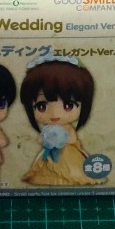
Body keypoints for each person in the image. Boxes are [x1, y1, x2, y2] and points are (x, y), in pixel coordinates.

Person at [19, 58, 96, 186]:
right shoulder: (48, 128)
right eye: (41, 106)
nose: (55, 114)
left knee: (70, 169)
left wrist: (60, 141)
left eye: (68, 105)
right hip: (48, 150)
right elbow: (42, 138)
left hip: (67, 152)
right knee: (44, 165)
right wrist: (47, 141)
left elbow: (72, 138)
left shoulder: (67, 128)